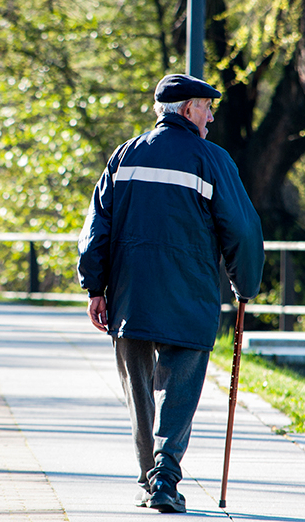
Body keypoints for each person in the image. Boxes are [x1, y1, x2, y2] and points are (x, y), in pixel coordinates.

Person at [76, 73, 264, 513]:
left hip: (130, 296)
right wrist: (245, 284)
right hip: (189, 296)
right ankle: (165, 477)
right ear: (185, 111)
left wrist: (95, 287)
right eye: (205, 106)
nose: (211, 116)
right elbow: (242, 228)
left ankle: (150, 479)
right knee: (179, 388)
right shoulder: (211, 160)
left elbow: (95, 226)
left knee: (138, 388)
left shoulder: (124, 156)